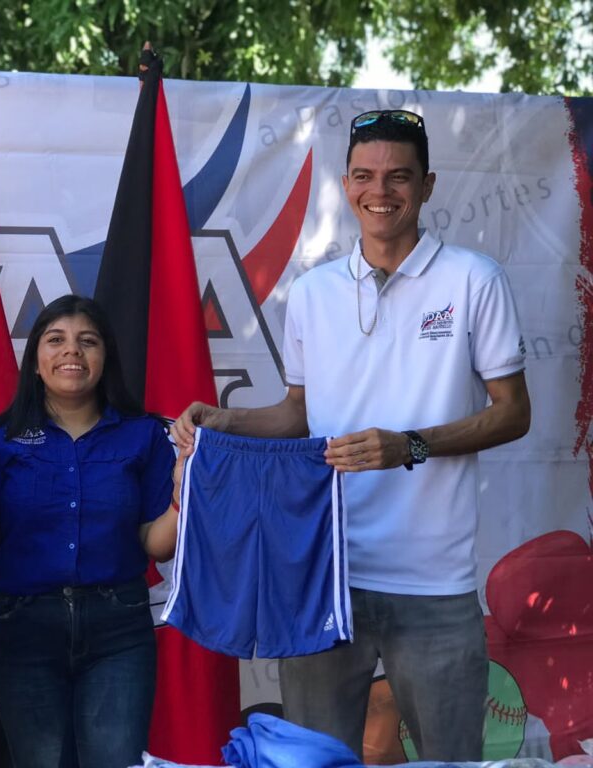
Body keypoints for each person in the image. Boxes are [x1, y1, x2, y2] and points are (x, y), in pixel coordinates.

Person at [171, 110, 531, 762]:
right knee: (313, 759)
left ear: (427, 185)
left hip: (434, 582)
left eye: (399, 176)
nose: (379, 190)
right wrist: (225, 420)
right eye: (364, 175)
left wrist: (408, 445)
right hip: (320, 575)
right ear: (345, 186)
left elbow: (513, 413)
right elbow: (298, 415)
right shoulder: (312, 293)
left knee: (450, 760)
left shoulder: (474, 279)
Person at [0, 295, 182, 768]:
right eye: (56, 340)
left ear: (105, 359)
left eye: (88, 341)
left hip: (118, 627)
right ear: (35, 361)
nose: (72, 351)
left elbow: (156, 544)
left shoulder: (143, 435)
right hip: (22, 628)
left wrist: (180, 498)